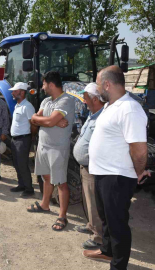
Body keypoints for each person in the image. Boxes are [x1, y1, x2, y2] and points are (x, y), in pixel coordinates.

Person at [83, 66, 149, 270]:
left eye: (97, 83)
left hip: (118, 177)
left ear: (107, 84)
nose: (96, 88)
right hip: (104, 174)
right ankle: (107, 251)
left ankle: (118, 266)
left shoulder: (130, 109)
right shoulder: (111, 105)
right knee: (106, 220)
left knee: (117, 224)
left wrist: (139, 173)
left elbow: (139, 149)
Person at [27, 71, 75, 232]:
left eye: (44, 84)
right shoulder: (46, 101)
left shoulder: (66, 100)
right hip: (43, 146)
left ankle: (62, 216)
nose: (42, 87)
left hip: (57, 148)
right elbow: (34, 119)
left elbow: (44, 120)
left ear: (51, 84)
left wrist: (48, 121)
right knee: (46, 177)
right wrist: (50, 121)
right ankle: (45, 204)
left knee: (61, 182)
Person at [72, 83, 104, 250]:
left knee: (94, 203)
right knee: (88, 200)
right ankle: (91, 225)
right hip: (85, 166)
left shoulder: (102, 118)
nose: (83, 102)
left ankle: (99, 237)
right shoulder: (92, 115)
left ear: (94, 99)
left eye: (85, 98)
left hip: (93, 168)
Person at [6, 82, 37, 196]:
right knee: (17, 163)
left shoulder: (27, 106)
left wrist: (31, 136)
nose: (12, 93)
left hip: (23, 140)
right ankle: (21, 184)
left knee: (23, 164)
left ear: (22, 92)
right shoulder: (18, 105)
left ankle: (29, 189)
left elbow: (33, 124)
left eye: (15, 91)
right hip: (15, 139)